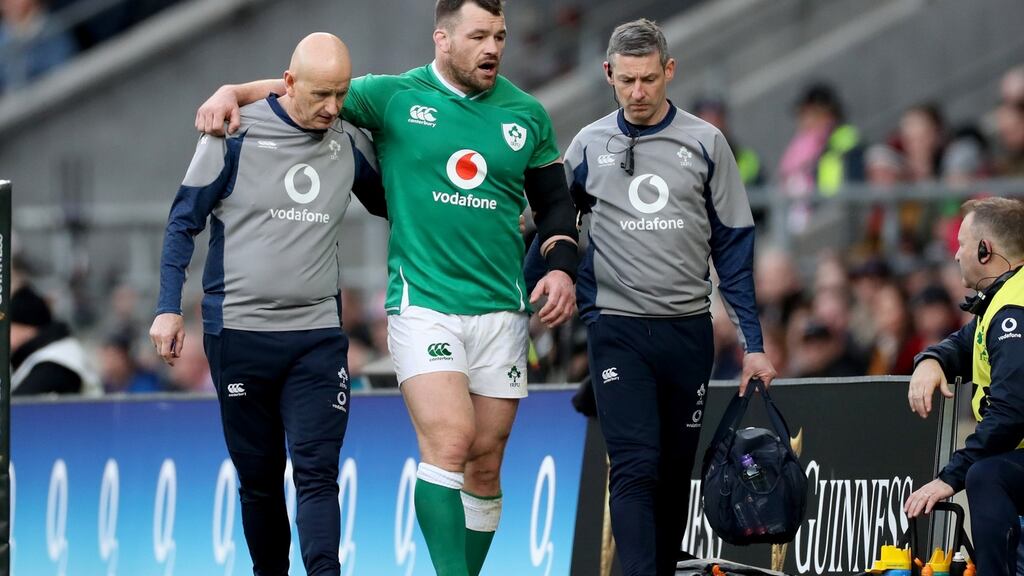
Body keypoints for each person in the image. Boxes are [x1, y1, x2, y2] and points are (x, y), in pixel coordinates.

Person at [193, 3, 579, 574]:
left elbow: (555, 205)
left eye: (499, 35)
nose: (492, 47)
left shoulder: (527, 114)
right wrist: (236, 90)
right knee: (450, 442)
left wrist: (560, 266)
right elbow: (307, 88)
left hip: (501, 307)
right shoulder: (392, 95)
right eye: (478, 36)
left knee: (485, 462)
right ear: (442, 39)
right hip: (422, 300)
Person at [150, 33, 387, 576]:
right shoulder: (233, 132)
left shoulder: (346, 139)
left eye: (342, 94)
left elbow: (395, 205)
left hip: (317, 338)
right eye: (321, 94)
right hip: (239, 334)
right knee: (258, 481)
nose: (332, 107)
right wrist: (167, 306)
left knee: (317, 470)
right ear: (288, 83)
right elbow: (182, 222)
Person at [557, 19, 776, 576]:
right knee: (636, 466)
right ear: (608, 74)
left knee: (676, 470)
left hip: (687, 330)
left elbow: (733, 247)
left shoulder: (705, 144)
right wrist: (529, 288)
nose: (637, 92)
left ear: (669, 71)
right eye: (626, 80)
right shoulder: (587, 145)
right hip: (617, 328)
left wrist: (753, 343)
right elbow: (553, 227)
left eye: (649, 79)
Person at [904, 197, 1024, 576]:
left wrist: (948, 477)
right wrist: (931, 360)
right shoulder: (1005, 298)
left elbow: (1012, 411)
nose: (955, 255)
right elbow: (964, 342)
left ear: (985, 250)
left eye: (962, 244)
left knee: (986, 475)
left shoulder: (1013, 311)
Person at [10, 284, 101, 396]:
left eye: (9, 328)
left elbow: (18, 407)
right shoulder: (47, 354)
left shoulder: (55, 360)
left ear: (28, 329)